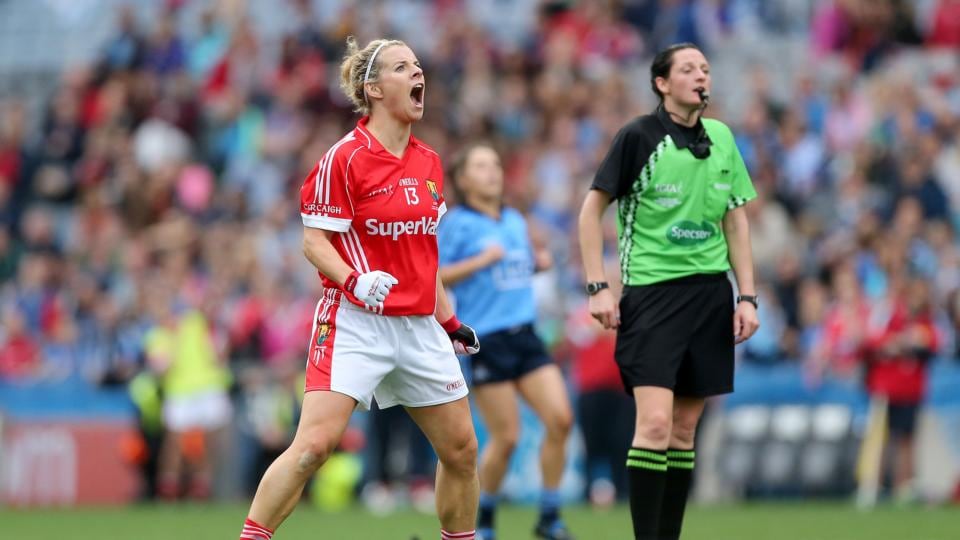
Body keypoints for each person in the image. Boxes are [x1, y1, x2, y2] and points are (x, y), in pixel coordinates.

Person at [239, 36, 482, 540]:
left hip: (417, 325)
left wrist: (451, 322)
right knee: (312, 448)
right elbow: (313, 241)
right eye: (402, 67)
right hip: (354, 321)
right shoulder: (345, 158)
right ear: (373, 88)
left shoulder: (430, 162)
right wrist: (355, 279)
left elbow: (425, 257)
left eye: (418, 65)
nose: (418, 74)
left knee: (461, 451)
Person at [577, 43, 760, 540]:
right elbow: (591, 213)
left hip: (710, 296)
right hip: (652, 296)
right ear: (662, 83)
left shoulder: (722, 137)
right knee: (654, 425)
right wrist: (598, 287)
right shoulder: (638, 136)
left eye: (705, 67)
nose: (701, 75)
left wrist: (747, 296)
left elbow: (736, 221)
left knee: (683, 432)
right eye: (688, 68)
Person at [438, 144, 574, 540]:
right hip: (487, 340)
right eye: (480, 166)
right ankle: (487, 519)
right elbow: (436, 277)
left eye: (495, 164)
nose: (492, 172)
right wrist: (480, 261)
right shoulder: (458, 224)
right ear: (463, 180)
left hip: (526, 335)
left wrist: (538, 262)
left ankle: (549, 516)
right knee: (508, 437)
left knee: (560, 420)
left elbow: (516, 268)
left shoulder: (514, 220)